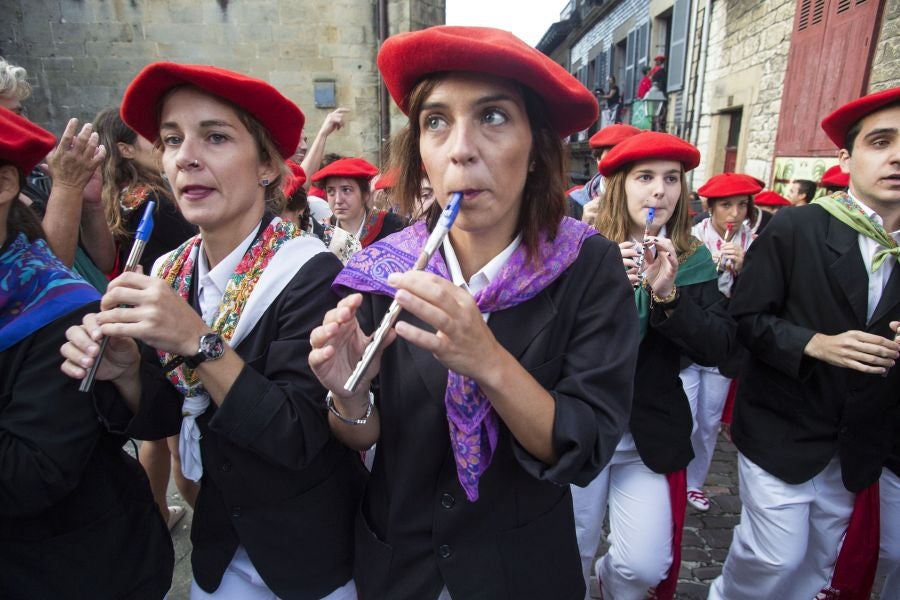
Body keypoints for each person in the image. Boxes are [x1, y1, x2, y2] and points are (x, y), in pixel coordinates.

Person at [309, 25, 638, 599]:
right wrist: (350, 394)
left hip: (521, 572)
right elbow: (360, 438)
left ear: (537, 149)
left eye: (492, 117)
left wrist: (488, 360)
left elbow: (582, 446)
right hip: (400, 567)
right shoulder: (386, 269)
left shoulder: (588, 266)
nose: (460, 148)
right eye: (436, 121)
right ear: (421, 154)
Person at [59, 62, 366, 599]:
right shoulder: (170, 270)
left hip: (309, 556)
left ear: (268, 165)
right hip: (219, 549)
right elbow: (164, 415)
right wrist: (128, 372)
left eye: (216, 137)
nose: (186, 157)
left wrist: (196, 339)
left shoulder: (312, 271)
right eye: (172, 140)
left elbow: (297, 436)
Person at [709, 87, 900, 600]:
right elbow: (743, 320)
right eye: (881, 141)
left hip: (857, 439)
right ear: (847, 157)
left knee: (818, 564)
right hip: (783, 426)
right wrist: (815, 343)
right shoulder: (797, 228)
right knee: (773, 557)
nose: (898, 156)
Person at [1, 107, 174, 598]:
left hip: (76, 568)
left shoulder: (49, 306)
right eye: (167, 139)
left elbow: (33, 474)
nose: (173, 155)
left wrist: (81, 197)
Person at [572, 131, 733, 600]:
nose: (659, 190)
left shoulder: (694, 258)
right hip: (581, 428)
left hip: (648, 433)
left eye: (671, 179)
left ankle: (610, 582)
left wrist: (667, 295)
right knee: (569, 554)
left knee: (645, 565)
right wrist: (604, 287)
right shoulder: (578, 248)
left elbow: (718, 348)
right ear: (619, 185)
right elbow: (552, 343)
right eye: (645, 177)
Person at [94, 106, 199, 529]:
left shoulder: (120, 196)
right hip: (166, 320)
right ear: (125, 149)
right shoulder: (154, 199)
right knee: (174, 434)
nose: (161, 148)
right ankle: (158, 509)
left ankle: (155, 508)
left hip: (144, 316)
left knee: (162, 436)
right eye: (163, 139)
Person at [681, 173, 761, 512]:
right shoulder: (690, 240)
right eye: (726, 205)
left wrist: (747, 269)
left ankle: (694, 482)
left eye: (741, 205)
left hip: (725, 343)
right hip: (689, 343)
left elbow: (762, 298)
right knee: (687, 416)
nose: (734, 214)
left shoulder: (756, 243)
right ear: (709, 207)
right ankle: (672, 476)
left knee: (710, 420)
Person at [311, 157, 405, 247]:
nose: (338, 200)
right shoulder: (318, 232)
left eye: (346, 190)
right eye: (331, 191)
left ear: (365, 194)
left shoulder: (395, 226)